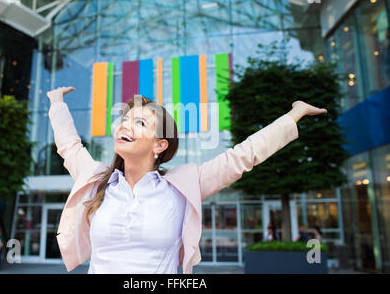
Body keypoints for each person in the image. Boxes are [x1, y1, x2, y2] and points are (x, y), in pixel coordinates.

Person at [46, 86, 328, 274]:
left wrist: (294, 114)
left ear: (159, 146)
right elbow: (69, 146)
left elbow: (243, 155)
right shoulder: (98, 182)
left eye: (140, 123)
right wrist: (57, 102)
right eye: (126, 119)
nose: (125, 125)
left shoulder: (180, 187)